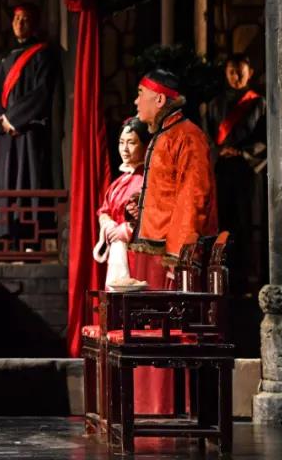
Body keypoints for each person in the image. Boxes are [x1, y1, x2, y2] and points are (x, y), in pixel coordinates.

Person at [93, 117, 174, 415]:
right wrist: (107, 224)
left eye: (132, 143)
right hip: (121, 260)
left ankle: (151, 402)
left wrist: (126, 229)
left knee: (141, 327)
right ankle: (123, 402)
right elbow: (104, 208)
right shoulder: (121, 181)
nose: (125, 149)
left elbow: (159, 216)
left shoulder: (150, 180)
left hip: (142, 261)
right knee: (120, 324)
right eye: (121, 142)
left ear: (145, 145)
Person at [131, 69, 217, 264]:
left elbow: (193, 198)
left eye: (140, 93)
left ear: (159, 99)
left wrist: (178, 256)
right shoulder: (165, 134)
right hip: (157, 248)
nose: (136, 101)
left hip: (173, 254)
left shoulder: (187, 136)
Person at [0, 4, 59, 234]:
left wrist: (14, 119)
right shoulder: (4, 59)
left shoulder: (42, 54)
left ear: (34, 24)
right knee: (8, 182)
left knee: (30, 178)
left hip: (28, 129)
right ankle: (9, 234)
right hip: (7, 133)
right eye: (17, 18)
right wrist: (2, 122)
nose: (20, 23)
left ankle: (32, 236)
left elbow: (41, 92)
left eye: (26, 19)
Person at [207, 53, 267, 289]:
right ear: (226, 73)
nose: (236, 77)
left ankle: (252, 279)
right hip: (222, 170)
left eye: (241, 72)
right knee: (224, 224)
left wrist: (243, 152)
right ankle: (224, 280)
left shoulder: (259, 104)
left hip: (248, 171)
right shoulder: (213, 105)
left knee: (250, 222)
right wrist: (218, 151)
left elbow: (266, 138)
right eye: (232, 72)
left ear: (249, 73)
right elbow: (206, 138)